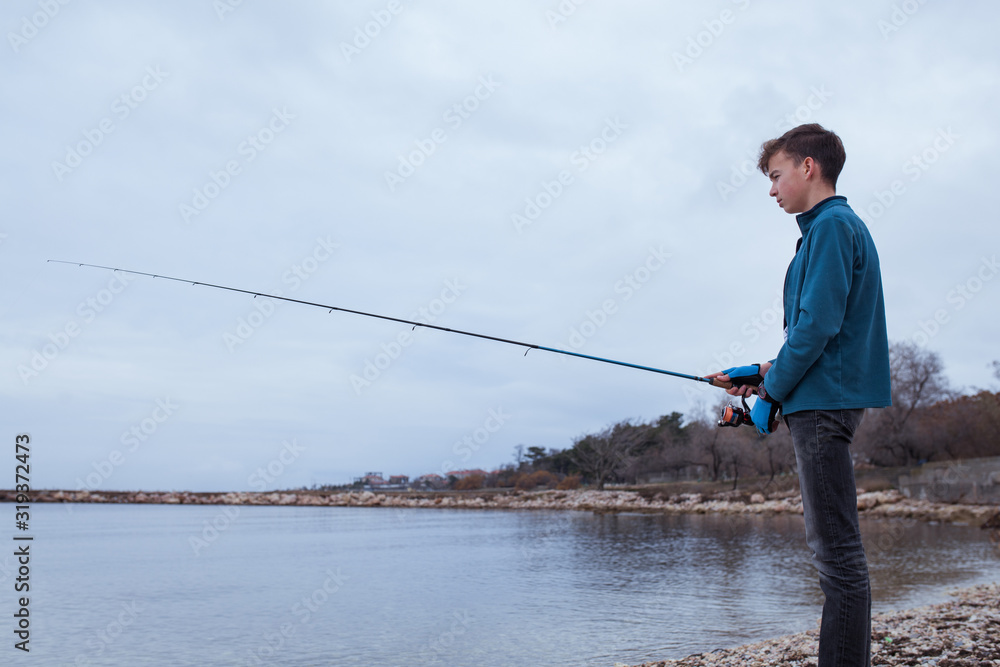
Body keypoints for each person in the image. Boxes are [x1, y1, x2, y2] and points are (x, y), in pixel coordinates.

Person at [706, 123, 891, 667]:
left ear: (808, 167)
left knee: (836, 556)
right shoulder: (828, 229)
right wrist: (762, 372)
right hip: (823, 398)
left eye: (775, 175)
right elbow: (824, 335)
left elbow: (816, 327)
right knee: (835, 552)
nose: (771, 189)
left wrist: (771, 393)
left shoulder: (831, 226)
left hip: (823, 408)